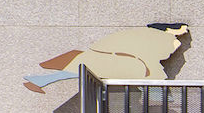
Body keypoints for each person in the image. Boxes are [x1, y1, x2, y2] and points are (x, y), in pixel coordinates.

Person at [25, 23, 190, 92]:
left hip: (106, 58)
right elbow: (150, 63)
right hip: (111, 60)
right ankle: (38, 80)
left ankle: (38, 80)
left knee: (73, 69)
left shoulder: (142, 38)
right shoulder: (155, 40)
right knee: (74, 68)